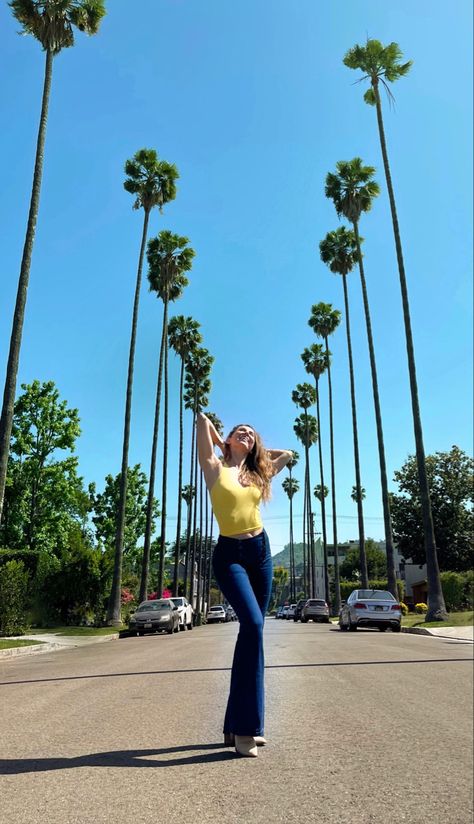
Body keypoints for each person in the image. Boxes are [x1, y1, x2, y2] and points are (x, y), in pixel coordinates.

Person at [197, 412, 292, 757]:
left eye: (252, 433)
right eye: (241, 431)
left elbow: (288, 455)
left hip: (260, 551)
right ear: (228, 439)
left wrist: (256, 450)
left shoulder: (258, 472)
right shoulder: (214, 467)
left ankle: (243, 726)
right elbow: (201, 418)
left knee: (255, 633)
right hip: (229, 554)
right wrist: (222, 438)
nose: (247, 435)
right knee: (251, 624)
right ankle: (244, 730)